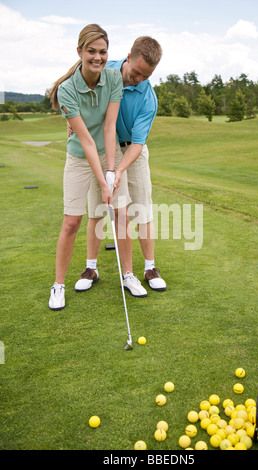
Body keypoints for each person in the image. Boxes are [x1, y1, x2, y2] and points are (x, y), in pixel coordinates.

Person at [75, 36, 167, 297]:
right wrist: (70, 118)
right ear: (128, 57)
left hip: (132, 151)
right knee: (96, 208)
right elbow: (73, 83)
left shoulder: (148, 97)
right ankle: (91, 268)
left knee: (142, 210)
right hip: (102, 148)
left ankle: (149, 268)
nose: (138, 79)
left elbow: (138, 144)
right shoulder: (104, 66)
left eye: (145, 76)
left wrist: (118, 170)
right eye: (136, 73)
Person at [48, 24, 131, 311]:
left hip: (109, 154)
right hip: (80, 158)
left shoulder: (112, 78)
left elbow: (110, 127)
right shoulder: (66, 90)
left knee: (120, 214)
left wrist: (110, 172)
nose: (98, 57)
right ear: (80, 52)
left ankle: (128, 274)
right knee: (72, 222)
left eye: (103, 51)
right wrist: (103, 179)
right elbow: (85, 140)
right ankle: (58, 285)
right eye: (91, 51)